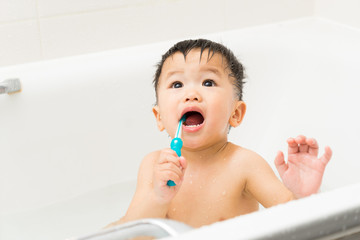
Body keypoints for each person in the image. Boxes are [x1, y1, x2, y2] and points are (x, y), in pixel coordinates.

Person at [108, 39, 332, 228]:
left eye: (208, 82)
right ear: (159, 117)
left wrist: (302, 196)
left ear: (235, 113)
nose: (191, 94)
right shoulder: (154, 166)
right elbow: (134, 232)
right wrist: (157, 197)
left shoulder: (244, 165)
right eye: (177, 84)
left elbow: (293, 219)